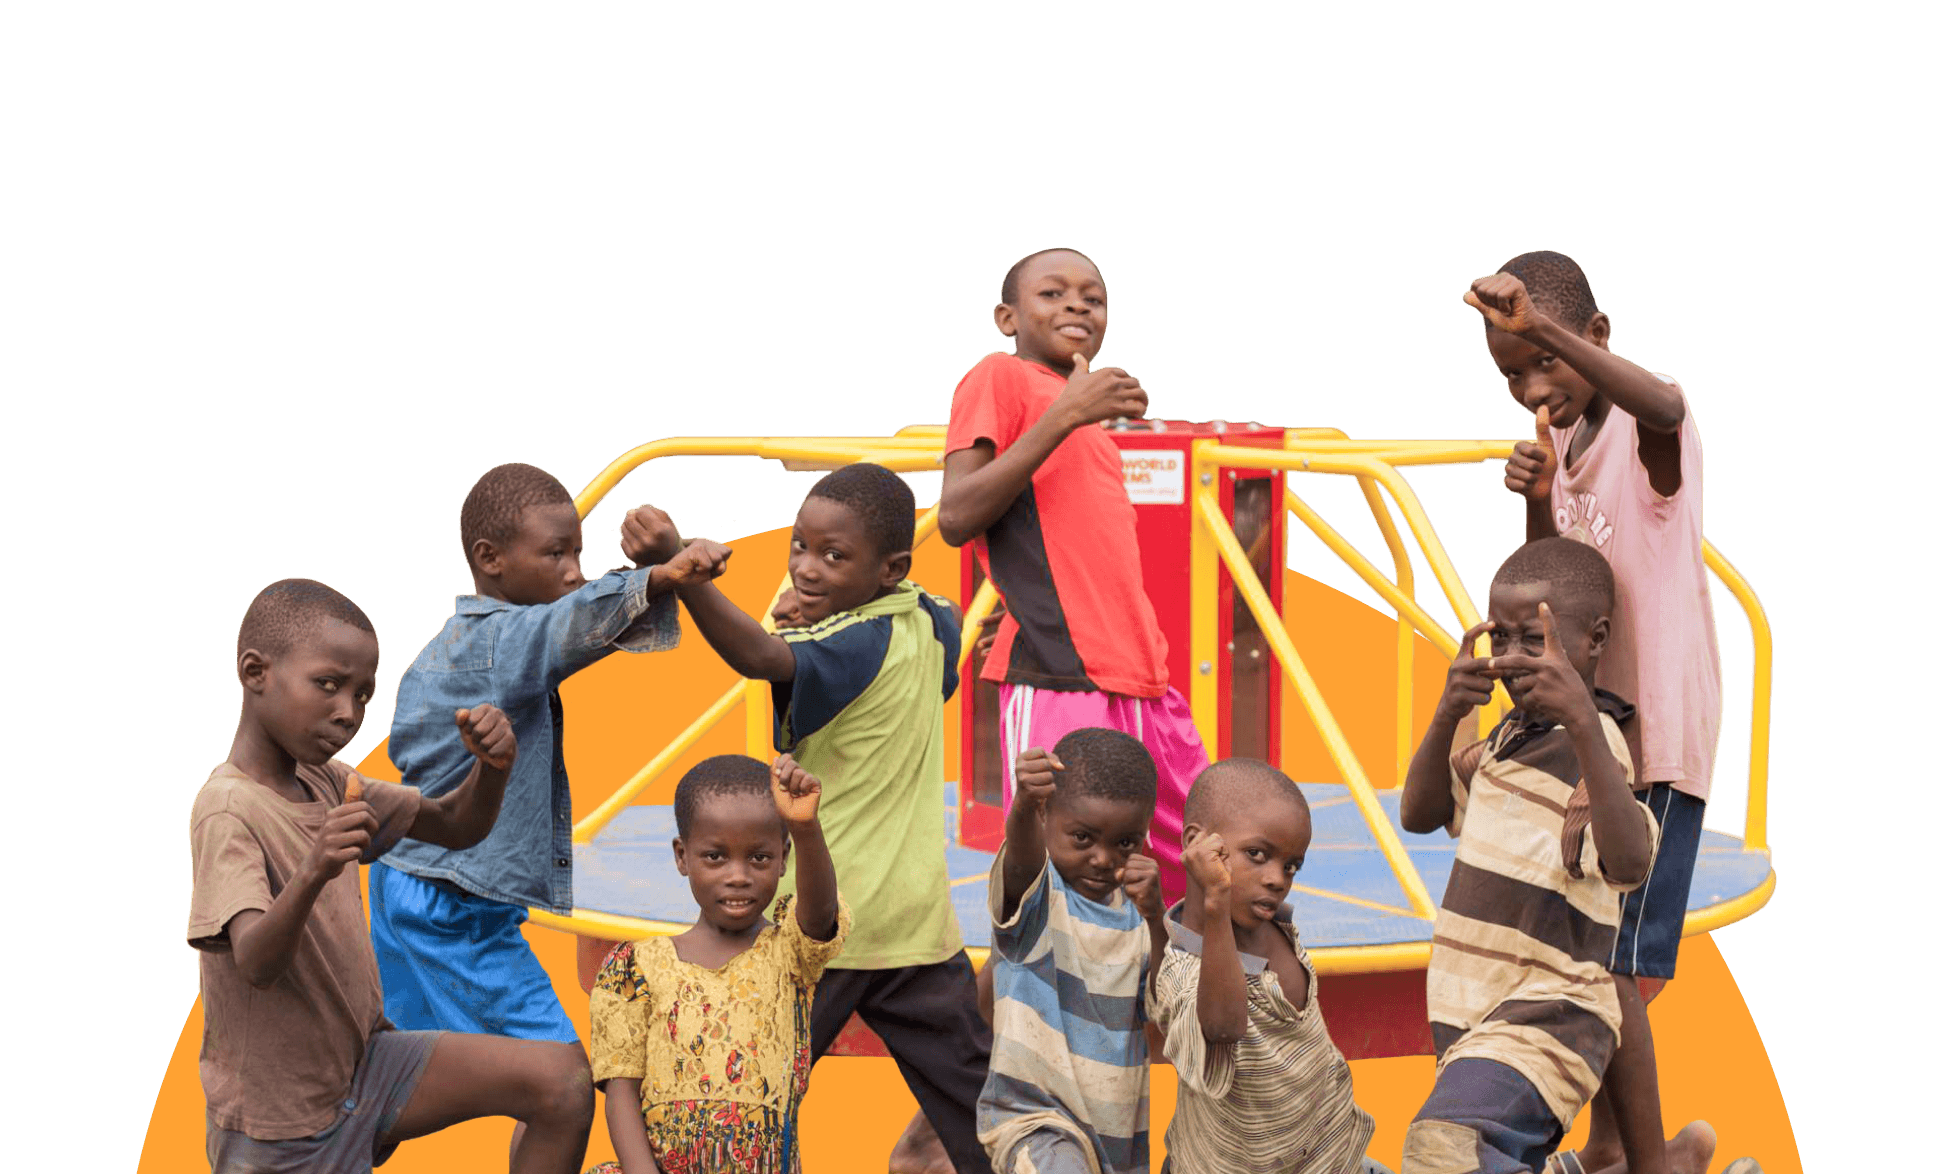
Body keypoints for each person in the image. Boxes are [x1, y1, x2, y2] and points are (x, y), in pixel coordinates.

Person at [190, 577, 595, 1173]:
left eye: (363, 696)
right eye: (328, 685)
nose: (347, 712)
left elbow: (455, 826)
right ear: (256, 673)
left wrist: (493, 769)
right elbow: (254, 963)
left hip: (367, 1069)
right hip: (283, 1127)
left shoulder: (328, 781)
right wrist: (314, 868)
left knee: (563, 1082)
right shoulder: (228, 809)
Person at [1470, 252, 1721, 1174]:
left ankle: (1650, 1162)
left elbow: (1662, 406)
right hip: (1595, 738)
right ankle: (1625, 1151)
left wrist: (1541, 323)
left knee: (1618, 968)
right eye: (1510, 374)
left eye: (1546, 361)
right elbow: (1558, 592)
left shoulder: (1652, 429)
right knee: (1590, 961)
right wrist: (1541, 504)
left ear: (1598, 337)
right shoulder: (1565, 452)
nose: (1534, 386)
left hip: (1654, 738)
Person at [672, 462, 992, 1174]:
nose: (807, 569)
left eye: (833, 556)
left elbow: (760, 657)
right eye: (799, 547)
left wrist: (688, 578)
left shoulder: (849, 648)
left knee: (743, 1104)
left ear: (890, 567)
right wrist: (822, 610)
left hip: (825, 923)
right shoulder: (934, 621)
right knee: (979, 1117)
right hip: (916, 925)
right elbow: (897, 647)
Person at [369, 463, 727, 1057]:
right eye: (556, 554)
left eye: (578, 553)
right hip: (448, 902)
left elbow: (576, 623)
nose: (573, 571)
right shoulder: (492, 644)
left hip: (422, 885)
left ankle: (329, 1145)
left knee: (401, 1070)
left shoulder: (481, 642)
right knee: (556, 1074)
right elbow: (570, 624)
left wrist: (651, 574)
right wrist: (662, 575)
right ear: (490, 559)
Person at [939, 247, 1209, 903]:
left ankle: (1197, 999)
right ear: (1007, 316)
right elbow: (955, 514)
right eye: (1053, 294)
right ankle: (1037, 1005)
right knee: (1067, 888)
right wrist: (1067, 413)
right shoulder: (1000, 376)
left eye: (1093, 296)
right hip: (1062, 676)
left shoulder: (1082, 413)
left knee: (1200, 857)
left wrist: (1074, 409)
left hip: (1143, 676)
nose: (1077, 306)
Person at [1397, 539, 1658, 1174]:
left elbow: (1628, 862)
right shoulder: (1504, 742)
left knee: (1444, 1149)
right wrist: (1446, 713)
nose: (1511, 659)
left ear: (1593, 641)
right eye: (1502, 640)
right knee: (1463, 1156)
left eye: (1533, 641)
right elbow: (1420, 813)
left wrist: (1588, 726)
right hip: (1473, 1023)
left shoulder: (1592, 758)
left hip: (1550, 1020)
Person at [585, 753, 848, 1174]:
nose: (738, 875)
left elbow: (820, 915)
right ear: (682, 856)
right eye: (715, 857)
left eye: (759, 858)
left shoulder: (789, 953)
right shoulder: (636, 968)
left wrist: (805, 826)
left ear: (784, 858)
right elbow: (620, 1093)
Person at [1151, 759, 1385, 1174]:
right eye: (1257, 854)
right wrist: (1216, 902)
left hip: (1329, 1153)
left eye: (1291, 866)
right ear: (1197, 843)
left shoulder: (1277, 925)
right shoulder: (1184, 968)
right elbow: (1224, 1027)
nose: (1278, 878)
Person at [979, 728, 1167, 1174]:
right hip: (1034, 1122)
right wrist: (1024, 803)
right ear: (1046, 818)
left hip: (1114, 1140)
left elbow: (1161, 1006)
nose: (1103, 859)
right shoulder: (1039, 899)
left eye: (1125, 843)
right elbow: (1024, 857)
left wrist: (1158, 918)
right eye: (1083, 838)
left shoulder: (1139, 920)